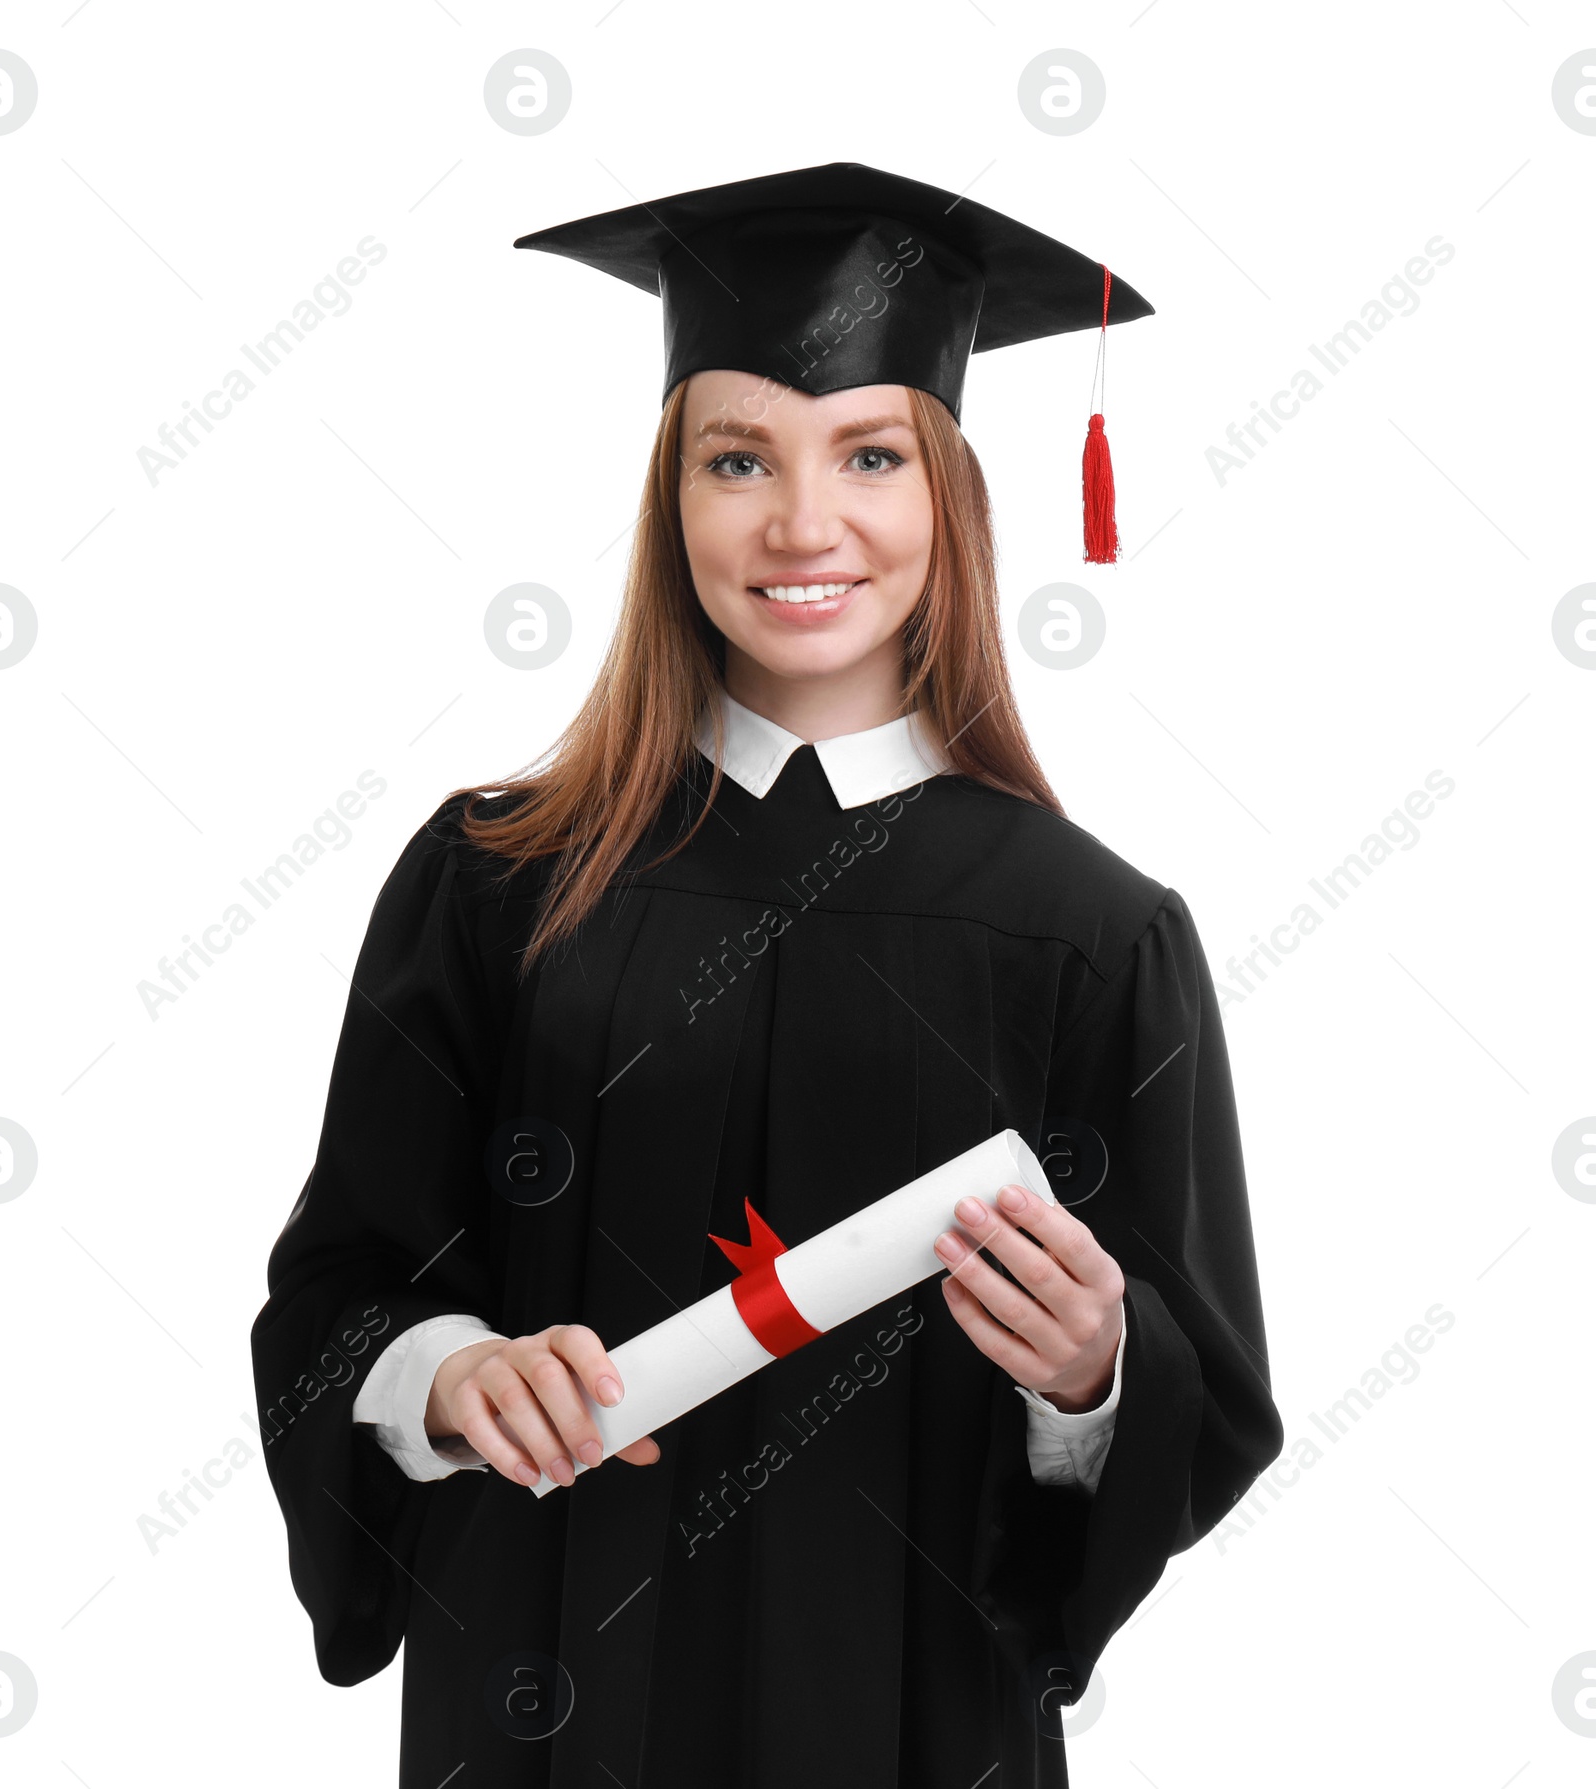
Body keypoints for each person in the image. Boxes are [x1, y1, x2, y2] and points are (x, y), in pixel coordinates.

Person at [250, 162, 1285, 1789]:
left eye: (870, 454)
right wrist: (443, 1377)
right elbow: (332, 1297)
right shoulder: (498, 880)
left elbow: (1202, 1401)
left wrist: (1096, 1374)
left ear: (948, 491)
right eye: (741, 458)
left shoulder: (1095, 935)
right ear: (674, 496)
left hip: (912, 1731)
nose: (806, 523)